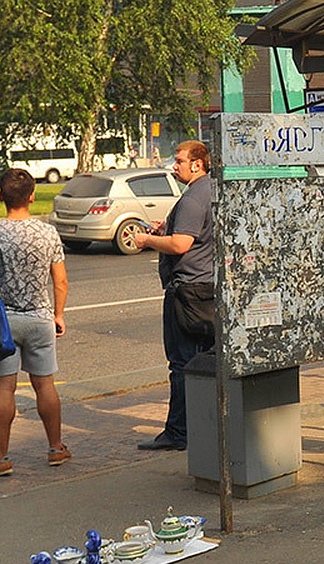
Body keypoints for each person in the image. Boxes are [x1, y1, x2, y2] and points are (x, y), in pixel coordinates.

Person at [0, 168, 71, 475]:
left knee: (3, 389)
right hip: (40, 318)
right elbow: (61, 281)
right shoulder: (48, 232)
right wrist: (59, 314)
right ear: (32, 196)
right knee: (45, 385)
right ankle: (55, 448)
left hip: (3, 323)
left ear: (1, 196)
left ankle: (0, 458)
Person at [133, 140, 215, 451]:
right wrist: (165, 231)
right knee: (206, 359)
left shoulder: (194, 197)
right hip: (206, 287)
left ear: (197, 164)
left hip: (188, 292)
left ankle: (179, 433)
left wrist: (147, 240)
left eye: (179, 160)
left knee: (181, 363)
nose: (174, 165)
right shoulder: (210, 189)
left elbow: (181, 244)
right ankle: (205, 424)